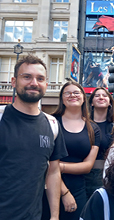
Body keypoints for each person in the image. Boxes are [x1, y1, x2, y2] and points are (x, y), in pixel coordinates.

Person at [0, 55, 68, 220]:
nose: (34, 83)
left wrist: (54, 216)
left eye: (40, 78)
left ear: (45, 84)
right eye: (27, 77)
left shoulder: (52, 124)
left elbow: (53, 172)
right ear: (14, 81)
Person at [52, 81, 100, 220]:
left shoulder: (93, 128)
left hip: (79, 189)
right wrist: (64, 192)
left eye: (76, 92)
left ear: (84, 98)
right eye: (67, 93)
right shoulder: (51, 122)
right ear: (62, 98)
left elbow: (87, 166)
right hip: (51, 187)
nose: (72, 95)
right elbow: (45, 163)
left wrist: (58, 167)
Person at [85, 87, 114, 199]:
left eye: (105, 95)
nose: (101, 97)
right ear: (91, 103)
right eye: (97, 95)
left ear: (109, 103)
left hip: (105, 175)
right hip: (81, 175)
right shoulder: (82, 125)